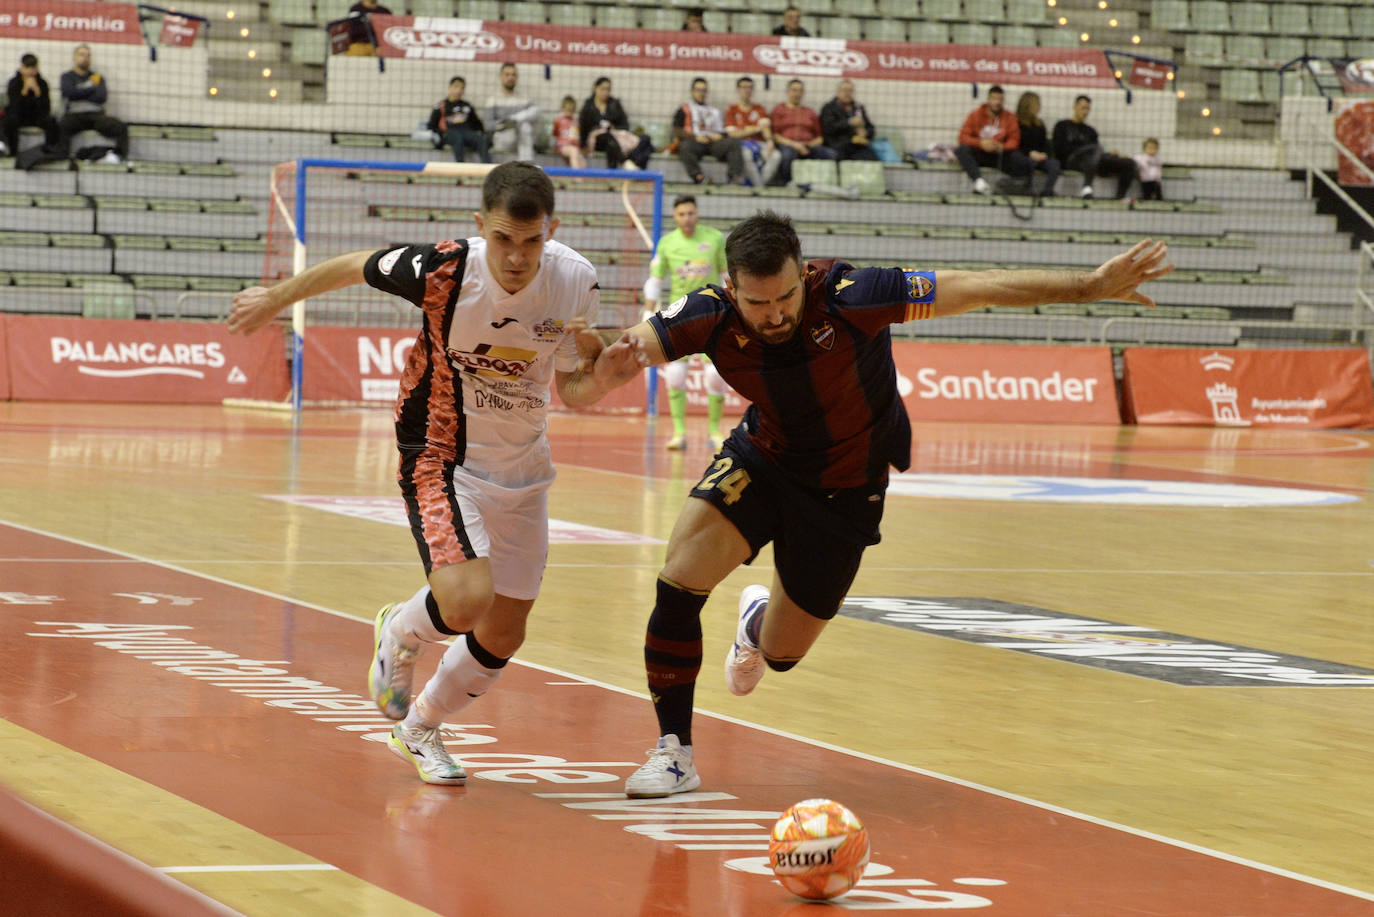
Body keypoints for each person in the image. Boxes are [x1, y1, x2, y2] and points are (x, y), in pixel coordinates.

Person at [603, 211, 1173, 798]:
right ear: (732, 289)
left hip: (847, 488)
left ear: (804, 273)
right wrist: (586, 366)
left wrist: (1088, 285)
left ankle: (755, 625)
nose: (774, 314)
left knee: (781, 654)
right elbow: (623, 351)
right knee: (679, 582)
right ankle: (675, 752)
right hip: (763, 459)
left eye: (786, 297)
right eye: (757, 303)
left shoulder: (856, 294)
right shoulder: (708, 312)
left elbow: (979, 287)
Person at [225, 162, 645, 785]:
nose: (517, 257)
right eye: (503, 240)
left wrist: (605, 378)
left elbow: (572, 388)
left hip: (525, 466)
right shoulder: (445, 269)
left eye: (531, 242)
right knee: (467, 600)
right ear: (481, 226)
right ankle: (401, 628)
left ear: (551, 232)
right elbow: (355, 265)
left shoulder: (575, 281)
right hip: (440, 451)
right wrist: (274, 299)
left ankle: (418, 728)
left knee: (504, 634)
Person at [643, 195, 729, 451]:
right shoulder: (667, 244)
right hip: (678, 317)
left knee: (715, 376)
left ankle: (715, 431)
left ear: (697, 213)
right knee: (675, 375)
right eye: (682, 214)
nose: (687, 218)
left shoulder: (714, 238)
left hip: (711, 315)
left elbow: (726, 275)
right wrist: (648, 310)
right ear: (675, 217)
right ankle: (679, 432)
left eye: (690, 213)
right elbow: (656, 280)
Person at [1052, 94, 1138, 200]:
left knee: (1129, 163)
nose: (1085, 112)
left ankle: (1119, 197)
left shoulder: (1090, 131)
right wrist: (1083, 150)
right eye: (1083, 108)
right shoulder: (1062, 126)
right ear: (1075, 107)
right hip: (1072, 161)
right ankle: (1087, 187)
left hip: (1093, 161)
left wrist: (1109, 155)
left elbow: (1097, 152)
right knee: (1093, 151)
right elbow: (1059, 149)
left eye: (1088, 109)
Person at [954, 85, 1031, 196]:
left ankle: (1014, 186)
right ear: (988, 99)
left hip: (998, 155)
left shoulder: (1010, 117)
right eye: (994, 98)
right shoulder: (975, 115)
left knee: (1021, 159)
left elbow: (1014, 140)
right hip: (980, 153)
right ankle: (979, 182)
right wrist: (980, 143)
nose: (997, 102)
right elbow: (963, 137)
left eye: (1000, 99)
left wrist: (1002, 147)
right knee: (962, 150)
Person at [58, 44, 128, 165]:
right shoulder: (67, 77)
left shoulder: (98, 77)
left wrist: (79, 92)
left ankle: (118, 156)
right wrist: (91, 89)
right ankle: (62, 157)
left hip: (96, 116)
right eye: (82, 55)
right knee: (60, 125)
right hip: (75, 116)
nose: (85, 58)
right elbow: (69, 93)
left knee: (120, 127)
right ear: (74, 58)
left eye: (88, 56)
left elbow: (101, 97)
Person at [673, 77, 748, 186]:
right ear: (692, 91)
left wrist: (720, 135)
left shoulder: (714, 111)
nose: (701, 93)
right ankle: (699, 177)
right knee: (684, 147)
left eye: (704, 90)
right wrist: (695, 137)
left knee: (734, 142)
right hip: (695, 142)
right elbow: (676, 130)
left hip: (713, 143)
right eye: (698, 90)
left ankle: (734, 178)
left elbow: (724, 131)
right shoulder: (684, 109)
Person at [767, 78, 837, 186]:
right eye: (794, 90)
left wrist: (808, 145)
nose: (797, 94)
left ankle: (824, 185)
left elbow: (819, 138)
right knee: (787, 155)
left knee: (831, 154)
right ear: (788, 92)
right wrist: (796, 145)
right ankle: (785, 184)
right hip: (787, 145)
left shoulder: (810, 112)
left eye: (800, 91)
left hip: (808, 146)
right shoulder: (779, 110)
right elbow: (775, 136)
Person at [579, 76, 650, 171]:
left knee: (645, 139)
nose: (605, 92)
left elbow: (625, 125)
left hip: (616, 139)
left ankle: (629, 169)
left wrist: (613, 127)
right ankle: (625, 163)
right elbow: (583, 128)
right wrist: (583, 145)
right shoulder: (588, 107)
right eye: (603, 89)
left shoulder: (615, 105)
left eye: (608, 89)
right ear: (595, 88)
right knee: (607, 137)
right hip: (596, 141)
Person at [2, 54, 61, 162]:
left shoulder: (42, 83)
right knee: (8, 122)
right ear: (22, 68)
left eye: (33, 68)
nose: (30, 71)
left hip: (36, 117)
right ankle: (12, 152)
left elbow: (46, 108)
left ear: (37, 68)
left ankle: (50, 151)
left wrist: (37, 92)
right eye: (27, 67)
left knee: (52, 122)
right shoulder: (14, 83)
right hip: (19, 116)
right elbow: (14, 107)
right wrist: (24, 91)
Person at [725, 76, 782, 187]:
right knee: (746, 155)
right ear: (738, 89)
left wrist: (769, 141)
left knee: (776, 156)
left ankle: (758, 186)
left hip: (758, 143)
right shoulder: (732, 110)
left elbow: (765, 127)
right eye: (744, 87)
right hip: (741, 144)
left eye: (750, 88)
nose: (747, 90)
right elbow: (733, 134)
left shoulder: (759, 109)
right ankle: (760, 188)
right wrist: (755, 128)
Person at [427, 75, 489, 164]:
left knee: (480, 139)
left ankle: (488, 167)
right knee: (457, 137)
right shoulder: (441, 106)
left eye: (462, 88)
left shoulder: (467, 106)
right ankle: (461, 168)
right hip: (450, 134)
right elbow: (431, 126)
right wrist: (441, 134)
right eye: (456, 87)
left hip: (466, 133)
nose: (459, 90)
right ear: (450, 88)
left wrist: (481, 133)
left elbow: (477, 124)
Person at [485, 62, 538, 162]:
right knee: (523, 126)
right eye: (507, 74)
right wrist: (505, 124)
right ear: (501, 76)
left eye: (513, 75)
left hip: (522, 138)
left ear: (517, 77)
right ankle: (526, 163)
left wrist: (514, 119)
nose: (511, 78)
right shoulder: (493, 100)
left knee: (526, 123)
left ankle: (526, 162)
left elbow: (535, 113)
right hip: (503, 138)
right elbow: (488, 126)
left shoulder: (524, 98)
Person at [1014, 91, 1061, 197]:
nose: (1039, 107)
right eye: (1036, 104)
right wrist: (1030, 153)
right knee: (1028, 162)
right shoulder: (1016, 123)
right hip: (1024, 156)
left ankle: (1047, 191)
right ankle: (1027, 189)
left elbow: (1044, 144)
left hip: (1039, 157)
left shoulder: (1039, 124)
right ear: (1027, 106)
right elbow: (1015, 145)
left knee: (1054, 164)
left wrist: (1044, 154)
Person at [819, 79, 878, 162]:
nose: (847, 93)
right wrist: (849, 122)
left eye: (850, 91)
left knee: (872, 159)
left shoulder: (858, 108)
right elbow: (828, 128)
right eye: (845, 90)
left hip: (858, 146)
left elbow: (871, 128)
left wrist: (865, 133)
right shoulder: (829, 108)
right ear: (838, 92)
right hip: (837, 145)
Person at [552, 95, 586, 169]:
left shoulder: (576, 122)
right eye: (567, 110)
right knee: (573, 151)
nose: (569, 112)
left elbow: (577, 137)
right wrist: (553, 146)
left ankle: (580, 175)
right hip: (563, 146)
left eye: (571, 110)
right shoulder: (559, 120)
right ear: (563, 108)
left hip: (575, 147)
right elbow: (554, 134)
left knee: (582, 162)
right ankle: (576, 175)